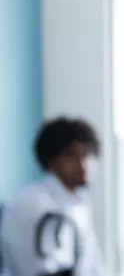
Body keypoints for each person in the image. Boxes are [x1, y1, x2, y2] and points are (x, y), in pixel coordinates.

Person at [0, 117, 105, 276]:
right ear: (51, 160)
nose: (83, 164)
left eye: (87, 154)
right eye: (71, 156)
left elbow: (94, 267)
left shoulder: (79, 203)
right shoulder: (33, 204)